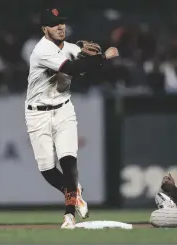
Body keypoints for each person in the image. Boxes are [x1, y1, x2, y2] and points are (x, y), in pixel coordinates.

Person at [24, 8, 119, 229]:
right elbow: (73, 68)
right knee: (47, 169)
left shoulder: (71, 47)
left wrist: (98, 61)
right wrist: (103, 57)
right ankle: (75, 192)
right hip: (37, 113)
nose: (60, 27)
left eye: (62, 23)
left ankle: (69, 215)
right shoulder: (41, 51)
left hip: (64, 109)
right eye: (54, 24)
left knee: (69, 160)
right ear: (44, 29)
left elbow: (88, 67)